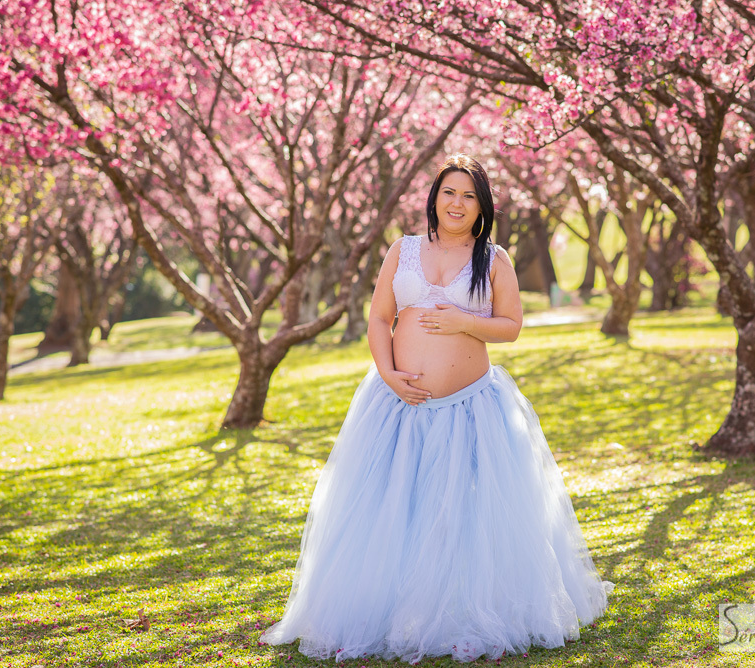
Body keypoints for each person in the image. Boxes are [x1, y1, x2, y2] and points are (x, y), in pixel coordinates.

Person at [259, 154, 612, 663]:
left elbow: (511, 325)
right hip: (397, 405)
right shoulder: (401, 252)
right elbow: (380, 318)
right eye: (450, 192)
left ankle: (462, 616)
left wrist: (463, 323)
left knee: (462, 515)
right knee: (392, 509)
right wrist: (388, 373)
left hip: (472, 408)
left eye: (469, 196)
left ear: (481, 207)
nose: (458, 203)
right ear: (434, 198)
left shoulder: (494, 260)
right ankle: (381, 613)